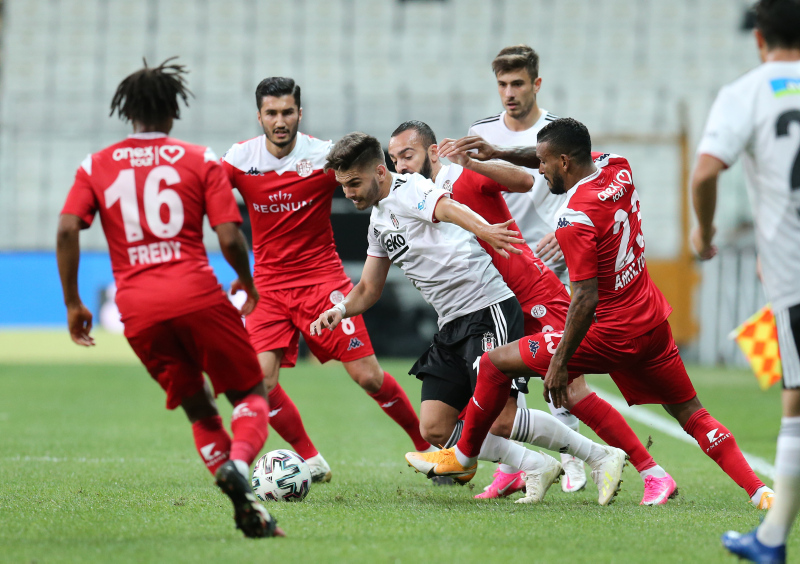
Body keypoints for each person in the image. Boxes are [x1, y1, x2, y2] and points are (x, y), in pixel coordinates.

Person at [407, 118, 774, 512]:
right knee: (692, 413)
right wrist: (500, 152)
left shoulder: (574, 218)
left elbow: (584, 298)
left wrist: (560, 363)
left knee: (494, 364)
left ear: (565, 162)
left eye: (545, 163)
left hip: (610, 334)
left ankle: (465, 457)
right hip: (652, 321)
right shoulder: (618, 166)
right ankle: (760, 492)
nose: (540, 170)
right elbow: (549, 157)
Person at [311, 132, 627, 505]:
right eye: (343, 185)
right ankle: (535, 464)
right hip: (451, 324)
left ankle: (600, 455)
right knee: (435, 426)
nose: (348, 193)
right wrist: (340, 309)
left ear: (380, 172)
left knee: (503, 420)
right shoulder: (378, 222)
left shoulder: (409, 188)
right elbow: (368, 288)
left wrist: (484, 230)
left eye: (354, 183)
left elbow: (447, 208)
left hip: (487, 308)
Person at [55, 59, 282, 538]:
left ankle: (246, 508)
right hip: (197, 295)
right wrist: (247, 281)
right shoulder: (199, 159)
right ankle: (240, 466)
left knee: (199, 408)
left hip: (137, 308)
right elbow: (229, 235)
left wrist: (73, 303)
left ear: (127, 112)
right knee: (249, 394)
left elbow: (67, 229)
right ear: (174, 110)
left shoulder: (94, 165)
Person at [436, 128, 682, 505]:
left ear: (432, 151)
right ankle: (512, 471)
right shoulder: (419, 196)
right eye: (397, 159)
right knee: (499, 390)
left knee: (569, 390)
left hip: (534, 290)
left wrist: (482, 158)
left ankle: (646, 470)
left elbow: (523, 180)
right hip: (498, 300)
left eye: (408, 155)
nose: (402, 164)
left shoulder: (462, 176)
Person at [221, 77, 431, 483]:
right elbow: (209, 199)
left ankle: (426, 447)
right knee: (259, 381)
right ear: (259, 117)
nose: (280, 121)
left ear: (299, 113)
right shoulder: (239, 159)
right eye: (271, 113)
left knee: (368, 376)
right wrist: (241, 274)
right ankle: (310, 458)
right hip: (267, 288)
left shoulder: (322, 157)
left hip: (322, 282)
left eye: (287, 112)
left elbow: (373, 181)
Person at [690, 1, 800, 561]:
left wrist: (704, 231)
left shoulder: (747, 92)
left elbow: (706, 171)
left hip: (795, 271)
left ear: (759, 38)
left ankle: (773, 542)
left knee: (796, 400)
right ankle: (772, 538)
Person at [467, 44, 587, 488]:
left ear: (536, 84)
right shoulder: (480, 132)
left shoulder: (557, 132)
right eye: (502, 84)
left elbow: (582, 186)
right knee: (506, 370)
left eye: (517, 83)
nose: (509, 93)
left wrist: (565, 232)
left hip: (550, 263)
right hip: (500, 270)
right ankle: (513, 470)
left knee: (558, 362)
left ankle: (575, 455)